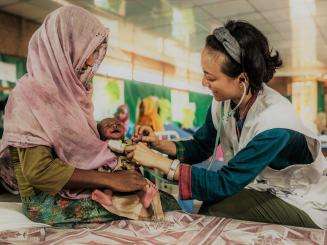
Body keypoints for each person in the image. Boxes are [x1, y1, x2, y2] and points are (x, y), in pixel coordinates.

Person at [126, 20, 327, 229]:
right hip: (265, 187)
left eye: (210, 77)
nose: (204, 83)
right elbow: (202, 146)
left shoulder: (275, 122)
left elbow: (225, 182)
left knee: (215, 209)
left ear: (241, 80)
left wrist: (159, 162)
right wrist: (158, 144)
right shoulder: (224, 104)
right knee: (213, 203)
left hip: (301, 199)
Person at [0, 6, 178, 228]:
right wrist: (111, 180)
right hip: (44, 199)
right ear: (64, 48)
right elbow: (39, 172)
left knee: (146, 191)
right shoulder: (29, 96)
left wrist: (98, 128)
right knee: (164, 203)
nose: (91, 62)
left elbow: (59, 134)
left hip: (71, 187)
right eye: (88, 52)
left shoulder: (67, 91)